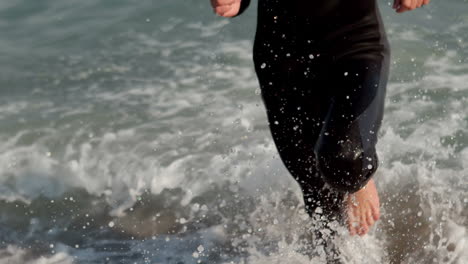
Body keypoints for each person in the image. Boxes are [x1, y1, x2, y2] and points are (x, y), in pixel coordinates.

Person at [209, 0, 429, 237]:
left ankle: (360, 179)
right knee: (321, 202)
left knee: (346, 161)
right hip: (282, 62)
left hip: (355, 44)